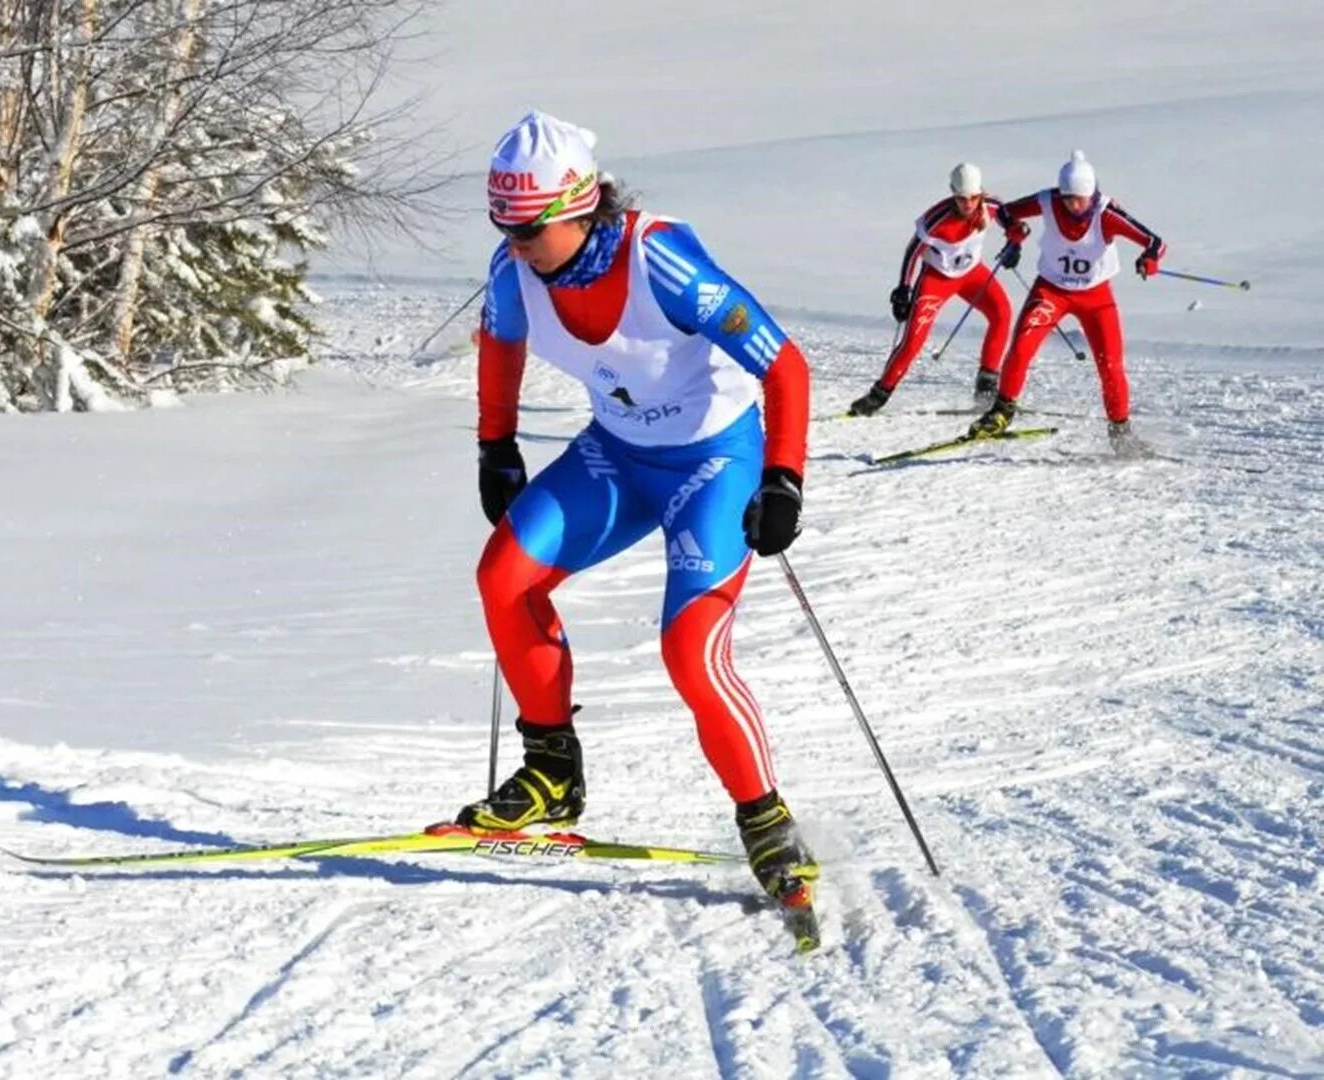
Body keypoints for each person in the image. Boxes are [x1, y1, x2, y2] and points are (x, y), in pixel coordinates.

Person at [462, 111, 817, 906]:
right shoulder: (513, 270)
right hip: (618, 455)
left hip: (714, 462)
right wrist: (496, 444)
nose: (514, 245)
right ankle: (552, 768)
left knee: (691, 652)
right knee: (504, 577)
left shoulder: (661, 260)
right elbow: (500, 344)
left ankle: (766, 823)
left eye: (527, 229)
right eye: (502, 226)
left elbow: (786, 366)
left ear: (579, 208)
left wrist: (784, 479)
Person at [970, 150, 1166, 451]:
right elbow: (1007, 212)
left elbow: (1155, 242)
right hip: (1051, 291)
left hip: (1096, 297)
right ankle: (1002, 412)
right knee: (1021, 347)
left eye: (1081, 199)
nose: (1074, 205)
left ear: (1092, 193)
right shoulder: (1048, 201)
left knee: (1110, 365)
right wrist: (1014, 234)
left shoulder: (1106, 213)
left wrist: (1149, 259)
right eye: (1068, 198)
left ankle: (1121, 432)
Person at [849, 163, 1017, 416]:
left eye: (973, 197)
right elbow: (912, 251)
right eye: (961, 198)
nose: (968, 204)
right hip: (937, 279)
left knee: (1002, 313)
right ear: (953, 194)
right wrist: (904, 289)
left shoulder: (991, 206)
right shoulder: (936, 218)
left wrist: (1015, 242)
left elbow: (1010, 221)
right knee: (913, 341)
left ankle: (986, 387)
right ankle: (878, 395)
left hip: (972, 274)